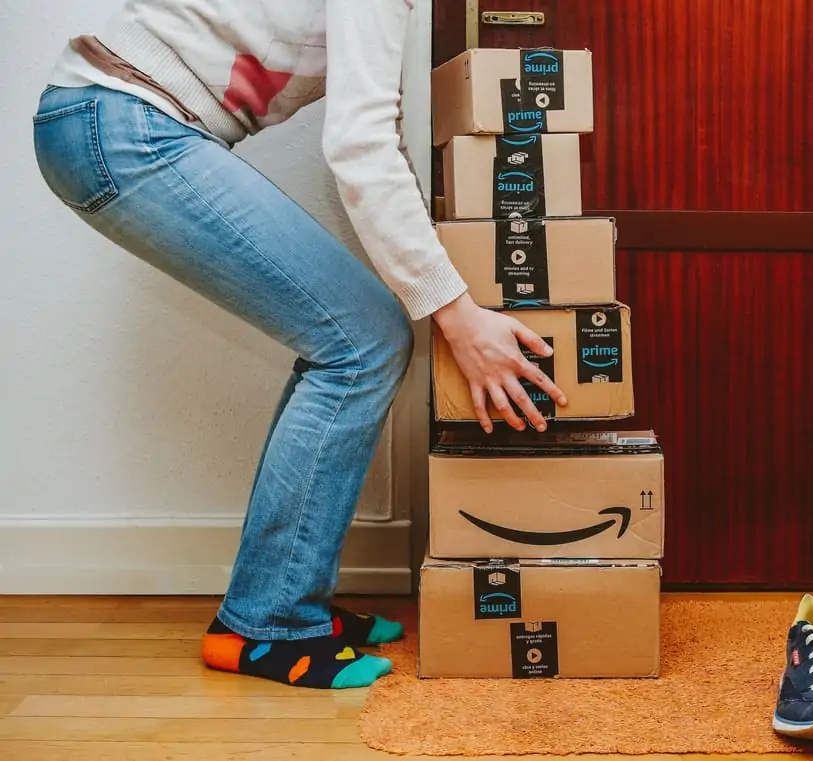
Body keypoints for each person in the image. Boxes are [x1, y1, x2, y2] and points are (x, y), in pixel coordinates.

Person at [31, 0, 568, 690]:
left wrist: (439, 279)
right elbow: (359, 146)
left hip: (113, 119)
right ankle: (268, 621)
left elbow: (377, 130)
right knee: (363, 342)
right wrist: (457, 316)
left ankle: (285, 597)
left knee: (362, 333)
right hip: (122, 122)